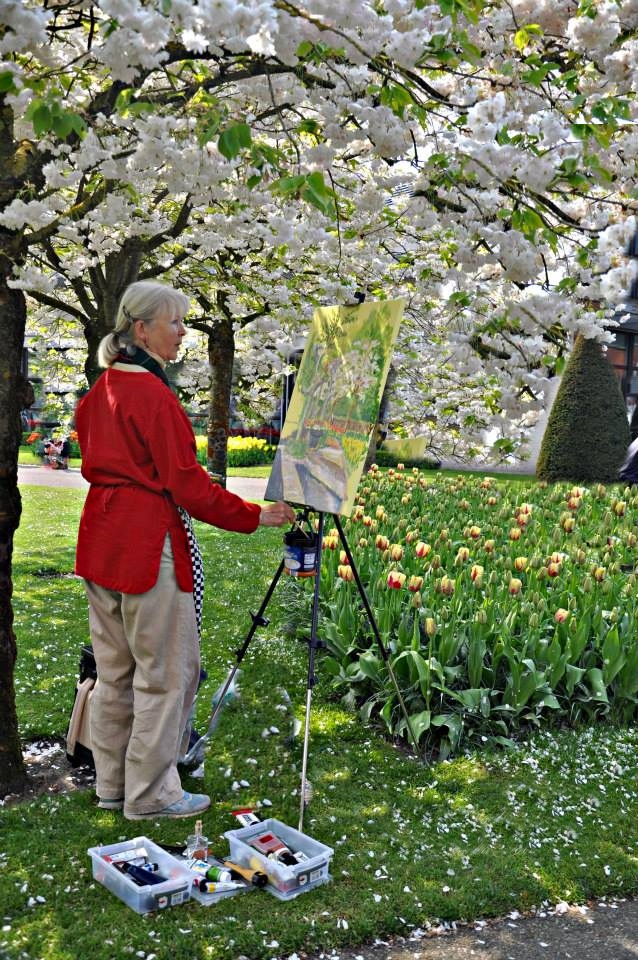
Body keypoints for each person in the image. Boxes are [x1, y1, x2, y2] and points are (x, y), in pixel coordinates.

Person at [74, 280, 295, 821]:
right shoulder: (152, 395)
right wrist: (252, 514)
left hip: (101, 541)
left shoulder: (98, 391)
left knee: (114, 673)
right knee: (164, 674)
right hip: (146, 544)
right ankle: (151, 795)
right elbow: (187, 485)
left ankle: (113, 783)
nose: (182, 333)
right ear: (142, 329)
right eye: (174, 322)